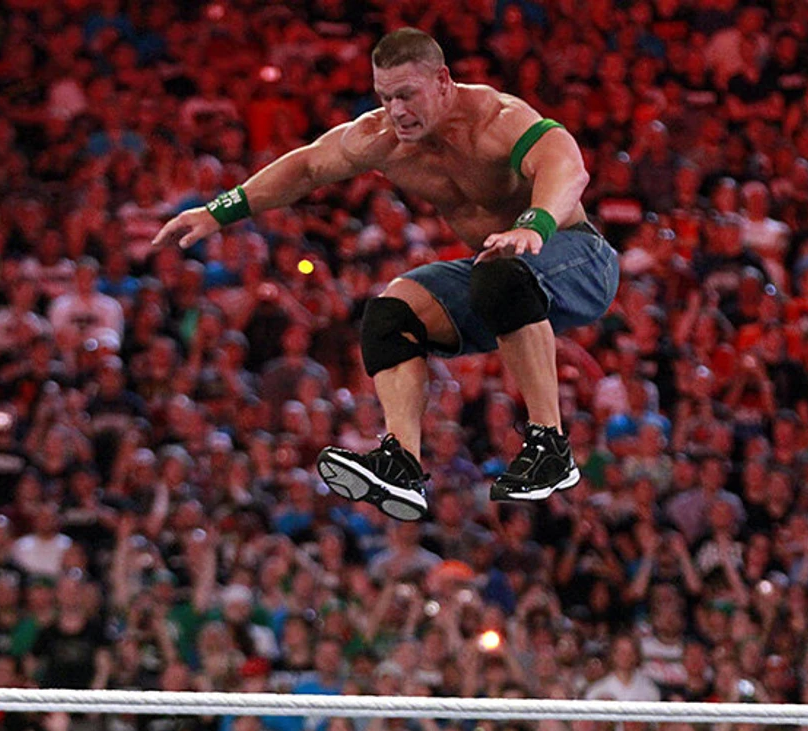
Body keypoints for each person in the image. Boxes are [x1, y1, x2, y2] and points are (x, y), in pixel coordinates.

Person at [154, 28, 619, 522]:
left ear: (443, 81)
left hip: (579, 260)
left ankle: (550, 446)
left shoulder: (496, 118)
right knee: (391, 314)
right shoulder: (381, 138)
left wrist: (535, 224)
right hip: (497, 275)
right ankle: (402, 464)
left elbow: (567, 165)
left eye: (407, 95)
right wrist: (217, 211)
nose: (396, 110)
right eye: (385, 97)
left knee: (502, 276)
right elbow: (308, 167)